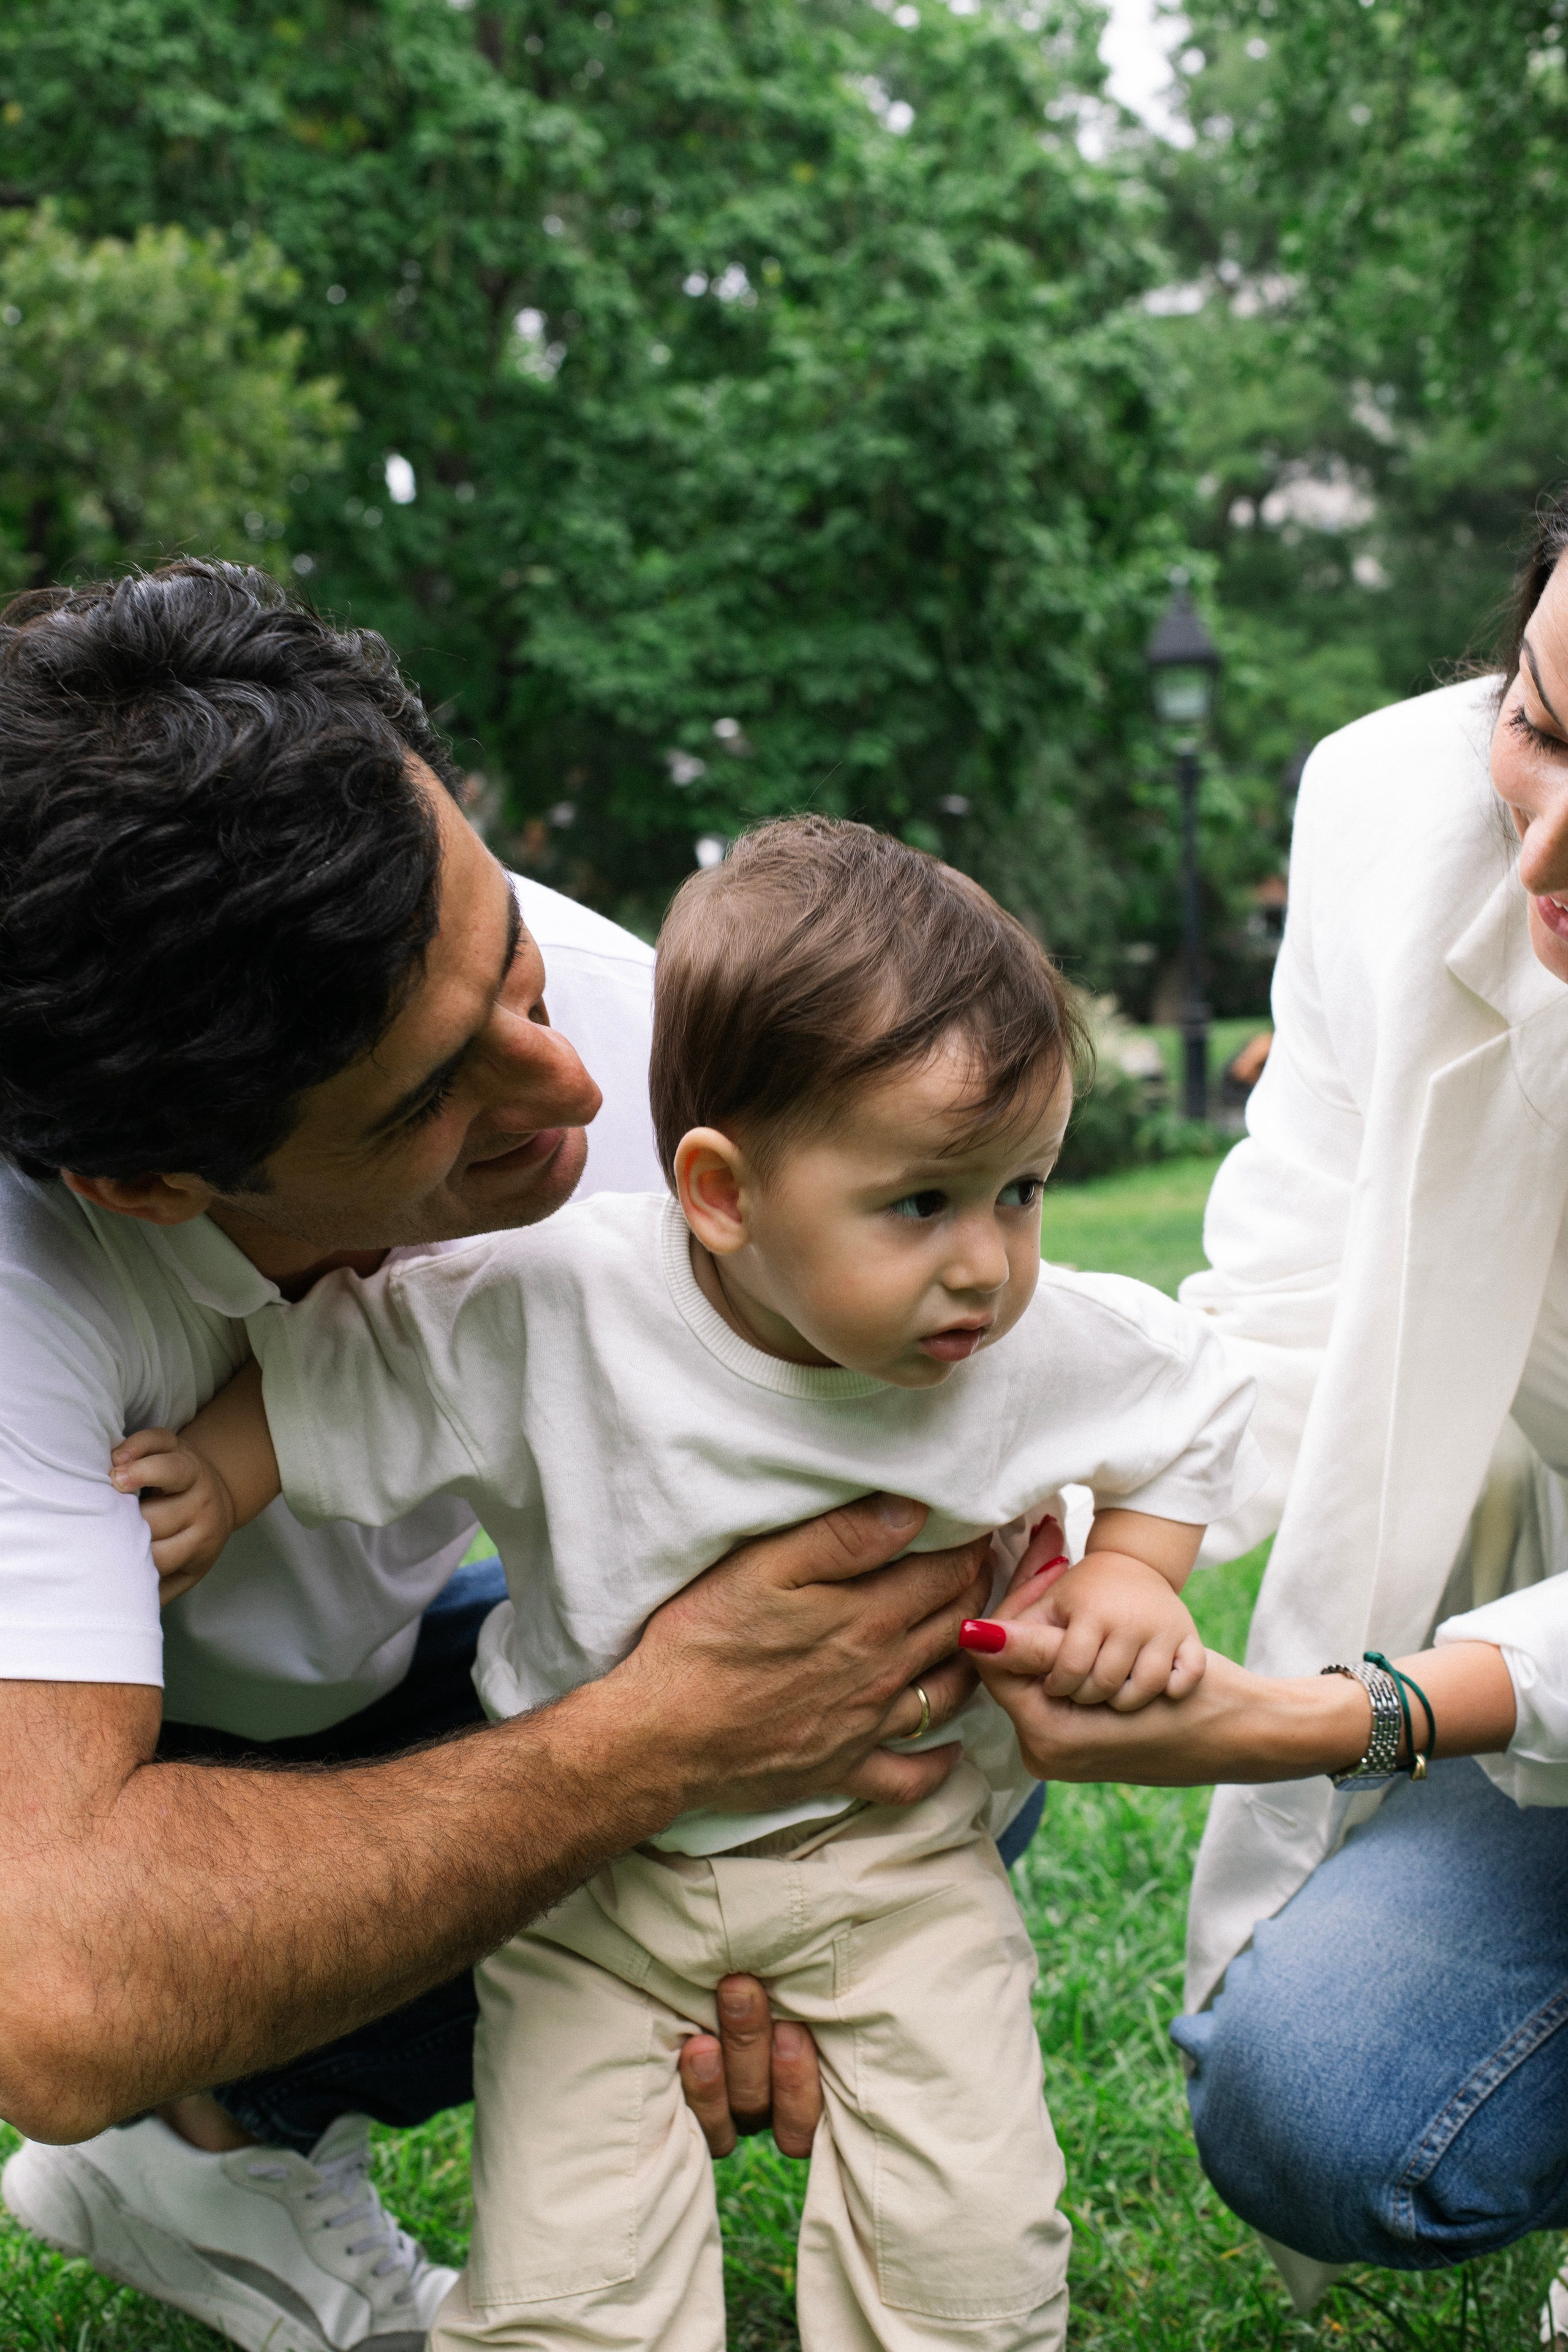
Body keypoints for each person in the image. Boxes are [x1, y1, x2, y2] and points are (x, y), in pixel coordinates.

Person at [0, 564, 997, 2352]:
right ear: (151, 1182)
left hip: (363, 1694)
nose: (573, 1088)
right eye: (431, 1103)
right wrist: (665, 1746)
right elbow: (53, 1985)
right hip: (89, 1769)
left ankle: (234, 2134)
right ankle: (195, 2140)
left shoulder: (631, 1032)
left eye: (511, 945)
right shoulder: (29, 1288)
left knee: (900, 1654)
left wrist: (762, 1886)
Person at [113, 815, 1262, 2352]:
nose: (987, 1266)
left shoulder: (1029, 1347)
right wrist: (228, 1471)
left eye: (1023, 1191)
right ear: (718, 1192)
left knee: (968, 2248)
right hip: (592, 1880)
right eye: (922, 1202)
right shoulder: (566, 1305)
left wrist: (1132, 1571)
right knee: (572, 2278)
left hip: (897, 1866)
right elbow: (365, 1370)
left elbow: (1192, 1401)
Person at [960, 488, 1568, 2334]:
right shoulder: (1404, 817)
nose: (1544, 845)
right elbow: (1294, 1298)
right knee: (1320, 2091)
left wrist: (1337, 1717)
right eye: (1542, 722)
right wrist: (1076, 1532)